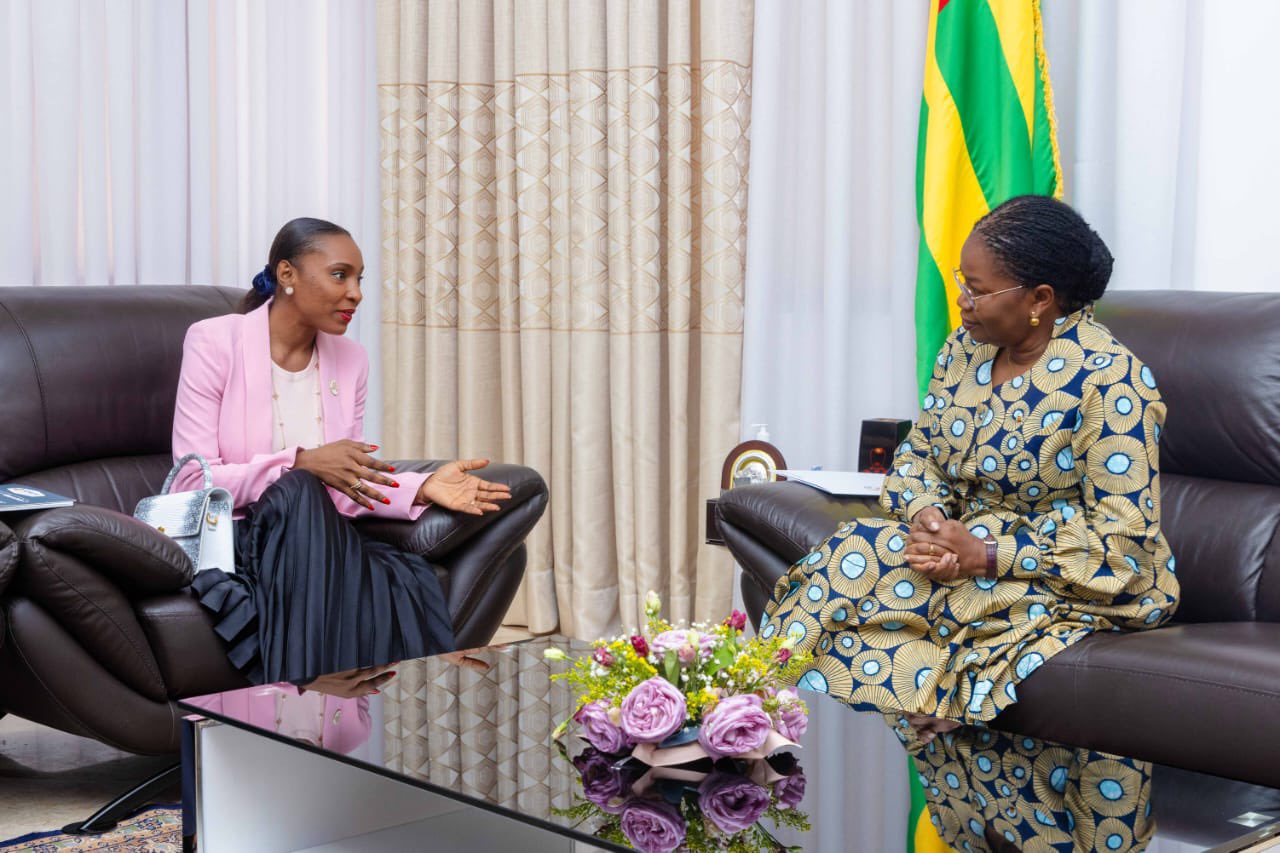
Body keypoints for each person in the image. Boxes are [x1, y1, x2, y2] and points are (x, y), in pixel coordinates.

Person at [760, 196, 1180, 749]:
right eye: (964, 282)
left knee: (964, 604)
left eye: (978, 290)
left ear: (1040, 299)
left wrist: (985, 554)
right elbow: (921, 456)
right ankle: (743, 711)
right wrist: (930, 521)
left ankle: (931, 713)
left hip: (1075, 576)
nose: (961, 300)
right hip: (959, 547)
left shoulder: (1112, 381)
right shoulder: (965, 351)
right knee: (848, 555)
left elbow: (1121, 543)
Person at [172, 217, 512, 684]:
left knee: (498, 537)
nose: (356, 293)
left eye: (359, 279)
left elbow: (344, 485)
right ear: (287, 274)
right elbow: (193, 483)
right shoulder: (214, 341)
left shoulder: (351, 359)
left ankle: (390, 700)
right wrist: (302, 463)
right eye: (339, 275)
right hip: (241, 537)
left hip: (321, 536)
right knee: (299, 489)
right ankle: (306, 678)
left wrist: (422, 488)